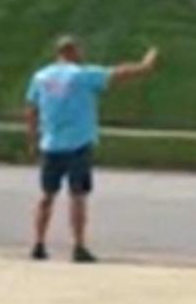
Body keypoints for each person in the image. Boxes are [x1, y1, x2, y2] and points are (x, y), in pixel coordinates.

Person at [24, 36, 158, 263]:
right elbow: (117, 74)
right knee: (78, 197)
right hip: (78, 143)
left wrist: (32, 139)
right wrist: (145, 66)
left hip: (51, 144)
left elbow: (31, 109)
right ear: (73, 51)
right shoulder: (81, 75)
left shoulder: (41, 77)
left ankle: (38, 243)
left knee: (47, 196)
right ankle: (78, 245)